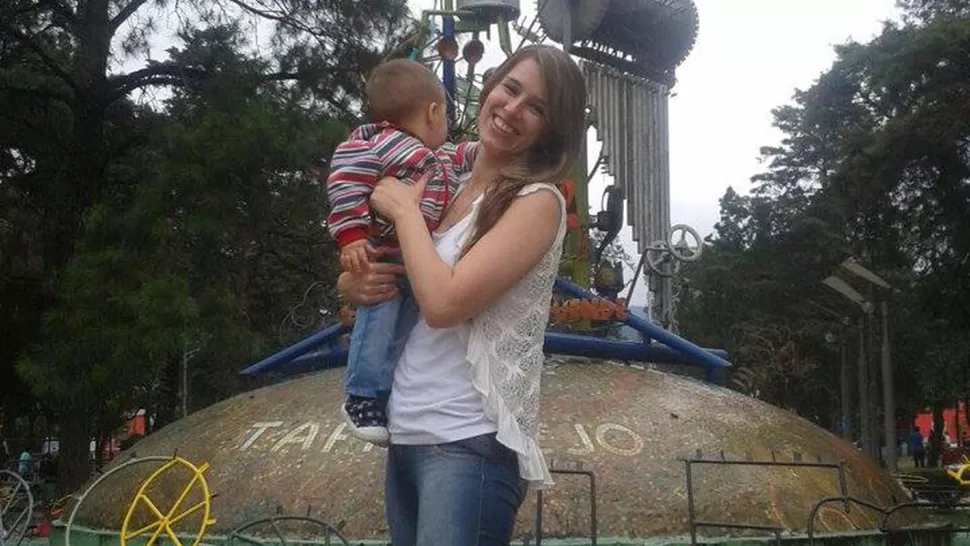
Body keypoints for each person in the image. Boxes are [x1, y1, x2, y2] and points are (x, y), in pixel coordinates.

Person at [337, 44, 586, 545]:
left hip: (469, 440)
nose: (513, 109)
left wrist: (404, 212)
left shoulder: (537, 203)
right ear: (490, 86)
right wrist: (352, 283)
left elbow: (444, 304)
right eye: (510, 89)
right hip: (406, 433)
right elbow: (394, 271)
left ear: (551, 129)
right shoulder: (444, 180)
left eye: (536, 107)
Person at [326, 58, 478, 446]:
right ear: (433, 112)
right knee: (378, 318)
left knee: (407, 322)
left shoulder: (435, 155)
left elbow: (464, 156)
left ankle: (383, 386)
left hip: (414, 258)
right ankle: (360, 394)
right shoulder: (377, 144)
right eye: (445, 113)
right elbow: (345, 180)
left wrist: (487, 152)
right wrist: (352, 235)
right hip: (383, 252)